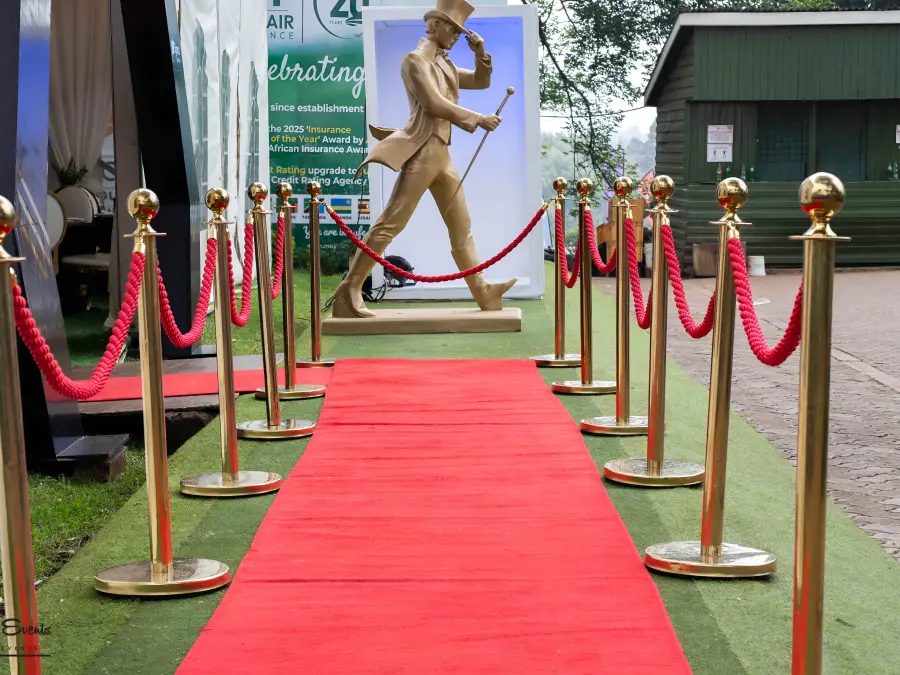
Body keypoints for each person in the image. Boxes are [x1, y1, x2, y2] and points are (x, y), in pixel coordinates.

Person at [330, 0, 516, 318]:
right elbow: (432, 103)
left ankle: (483, 292)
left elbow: (482, 81)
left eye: (460, 32)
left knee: (462, 227)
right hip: (423, 150)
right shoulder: (414, 62)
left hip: (442, 154)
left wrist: (480, 53)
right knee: (391, 222)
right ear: (434, 26)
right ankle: (348, 292)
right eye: (452, 30)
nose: (457, 36)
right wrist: (477, 118)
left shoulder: (445, 66)